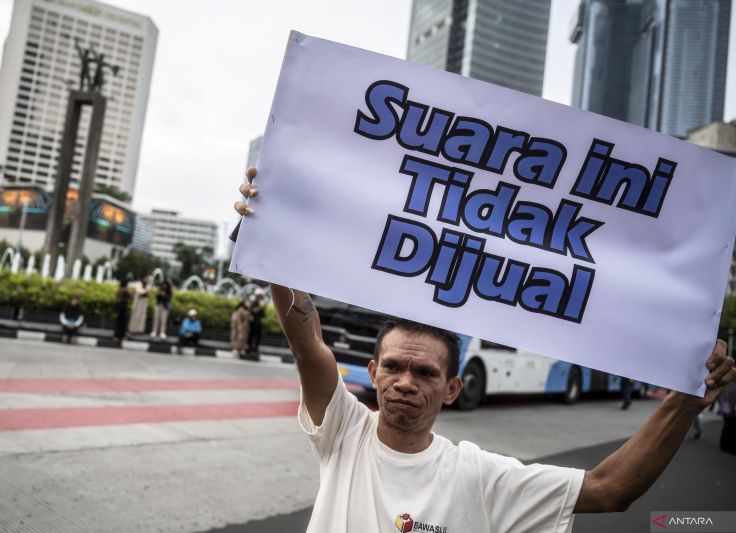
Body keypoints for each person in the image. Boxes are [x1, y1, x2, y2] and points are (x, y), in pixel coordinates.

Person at [234, 166, 736, 532]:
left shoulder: (479, 475)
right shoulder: (344, 431)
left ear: (453, 388)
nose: (405, 382)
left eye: (426, 373)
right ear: (373, 370)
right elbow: (307, 342)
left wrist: (686, 400)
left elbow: (611, 490)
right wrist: (272, 238)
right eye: (393, 367)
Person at [719, 379, 736, 454]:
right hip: (731, 410)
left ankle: (724, 445)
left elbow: (723, 397)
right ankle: (729, 446)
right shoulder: (732, 385)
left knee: (727, 426)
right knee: (731, 428)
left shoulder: (728, 383)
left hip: (726, 407)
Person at [247, 290, 266, 355]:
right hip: (253, 322)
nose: (260, 297)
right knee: (251, 336)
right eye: (259, 295)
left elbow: (263, 315)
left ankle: (255, 349)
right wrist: (260, 307)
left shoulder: (262, 303)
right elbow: (253, 311)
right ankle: (249, 349)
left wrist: (263, 308)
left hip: (258, 322)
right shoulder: (254, 302)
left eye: (261, 295)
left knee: (258, 336)